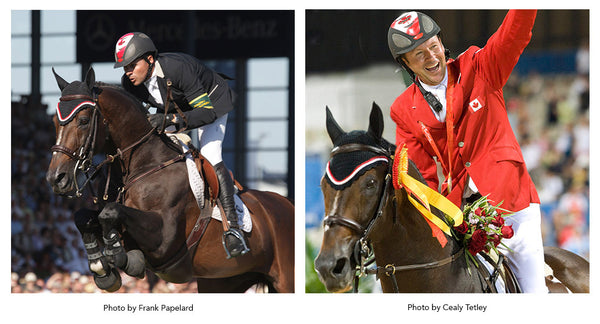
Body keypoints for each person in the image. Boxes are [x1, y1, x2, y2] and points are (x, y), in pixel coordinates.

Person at [388, 10, 547, 293]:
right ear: (405, 62)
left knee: (534, 296)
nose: (431, 58)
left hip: (510, 199)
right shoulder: (403, 109)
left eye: (433, 47)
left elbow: (514, 35)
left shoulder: (478, 66)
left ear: (441, 43)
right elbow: (420, 177)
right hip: (458, 212)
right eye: (419, 54)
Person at [113, 32, 249, 258]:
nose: (128, 72)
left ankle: (233, 228)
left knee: (210, 154)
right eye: (124, 68)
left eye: (131, 65)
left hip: (212, 104)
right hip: (175, 108)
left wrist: (171, 120)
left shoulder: (177, 69)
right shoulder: (131, 84)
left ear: (149, 59)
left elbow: (205, 113)